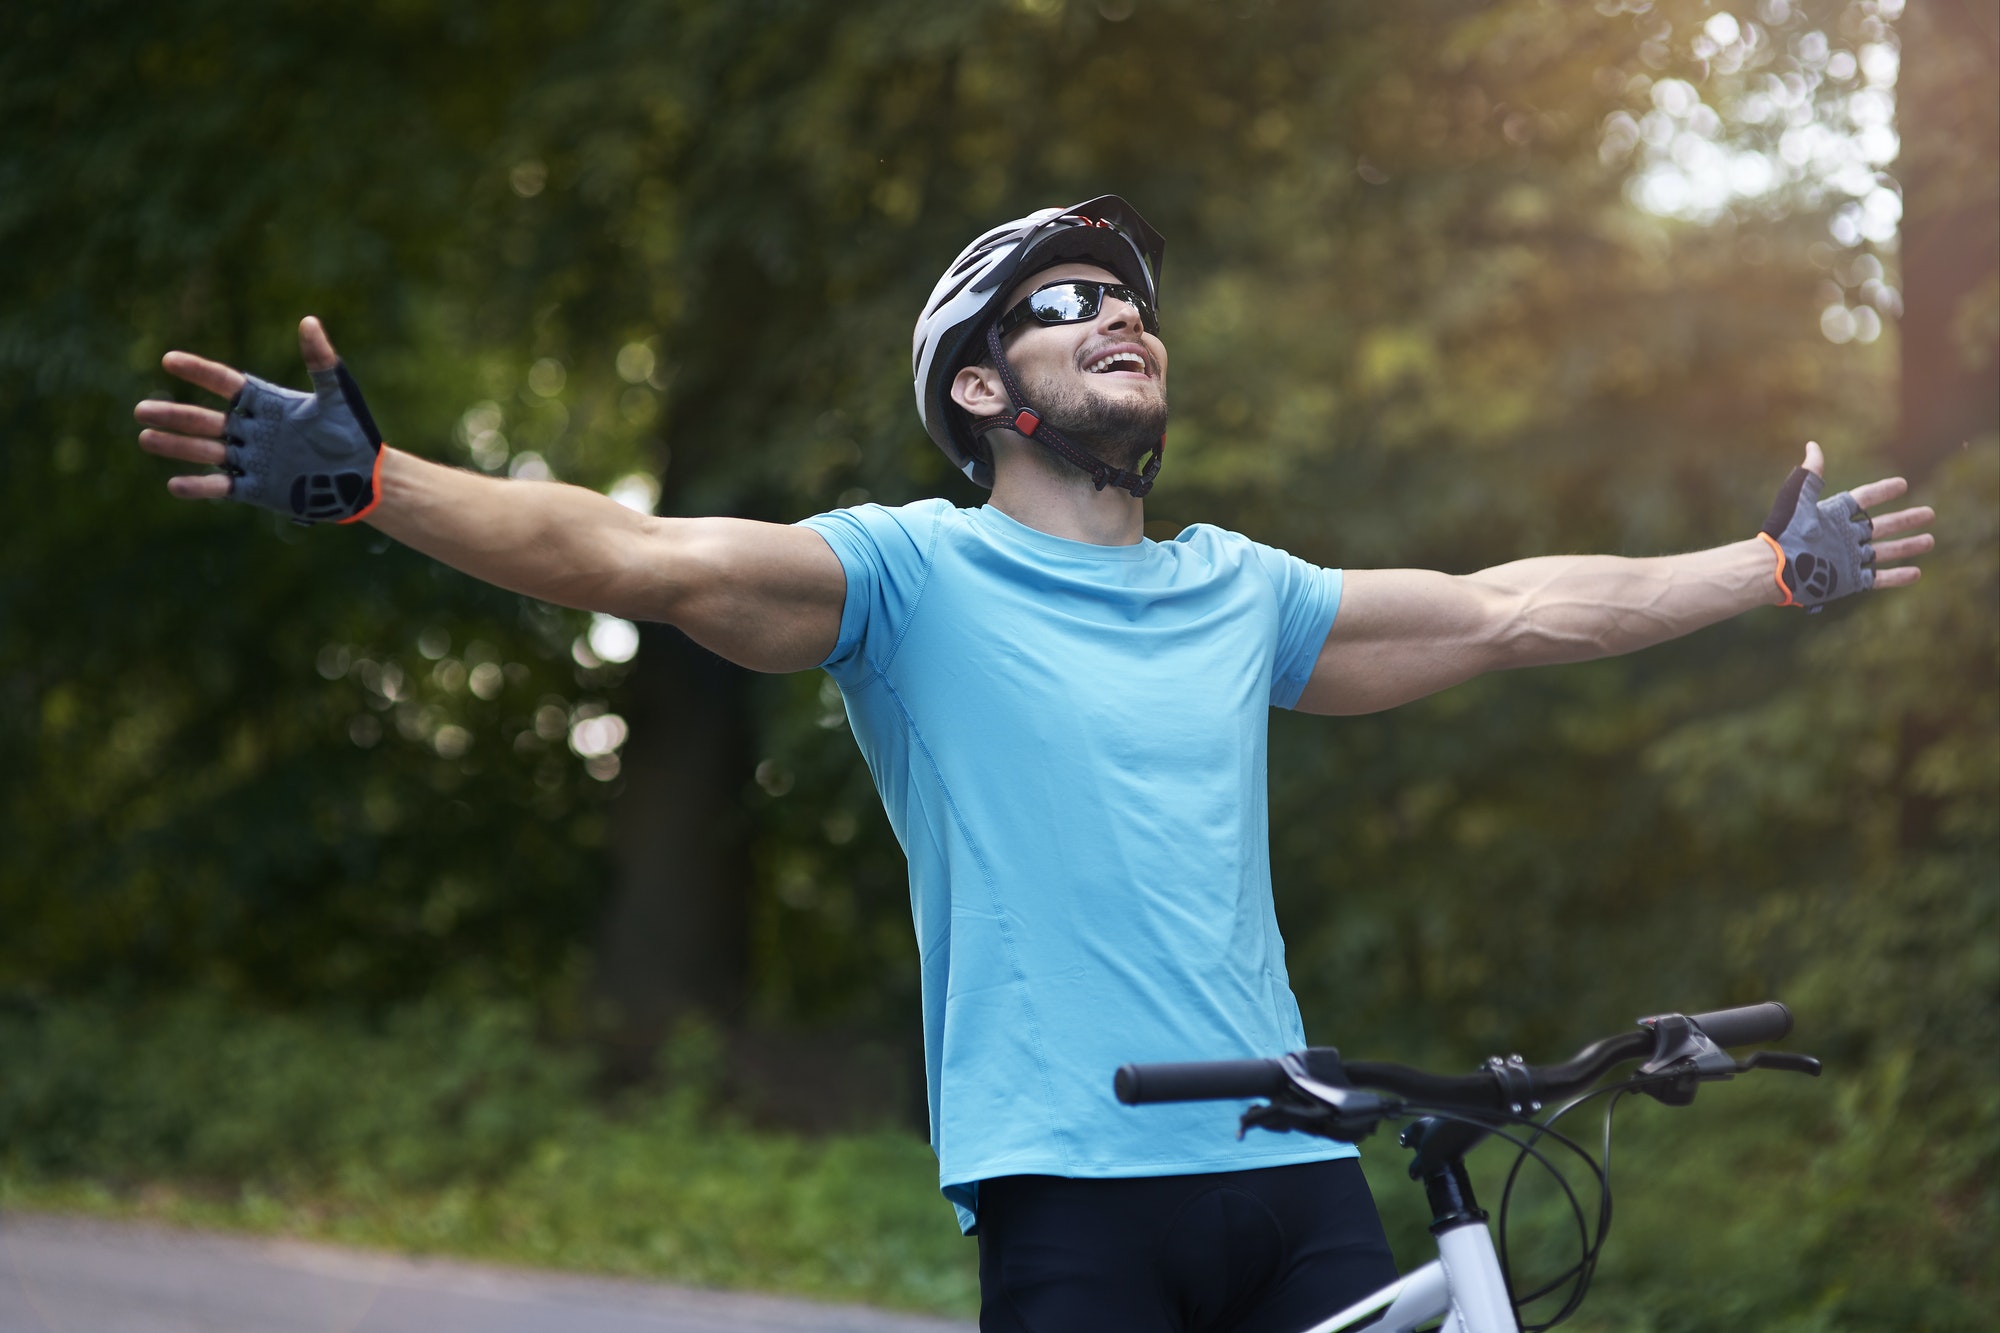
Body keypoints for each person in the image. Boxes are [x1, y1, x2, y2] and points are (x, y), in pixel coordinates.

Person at [134, 196, 1933, 1332]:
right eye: (1068, 300)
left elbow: (1513, 608)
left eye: (1133, 300)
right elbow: (635, 555)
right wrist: (378, 484)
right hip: (1074, 1184)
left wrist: (1770, 567)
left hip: (1297, 1164)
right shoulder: (908, 579)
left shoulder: (1241, 591)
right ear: (984, 392)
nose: (1121, 315)